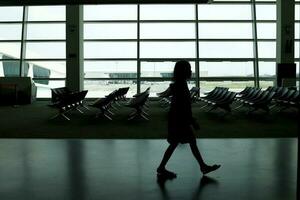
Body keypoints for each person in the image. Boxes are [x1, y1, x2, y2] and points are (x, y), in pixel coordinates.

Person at [157, 60, 220, 179]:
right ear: (184, 71)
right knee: (188, 142)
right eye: (189, 69)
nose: (191, 71)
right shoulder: (181, 85)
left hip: (177, 120)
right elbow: (183, 107)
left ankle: (202, 166)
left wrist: (191, 119)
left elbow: (181, 106)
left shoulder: (179, 84)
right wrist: (192, 120)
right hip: (180, 121)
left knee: (182, 143)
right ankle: (202, 166)